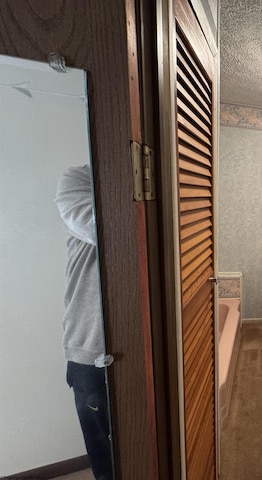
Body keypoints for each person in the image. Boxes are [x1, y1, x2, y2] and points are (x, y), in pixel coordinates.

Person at [55, 165, 114, 480]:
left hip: (142, 340)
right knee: (104, 453)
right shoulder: (78, 178)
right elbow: (99, 229)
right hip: (89, 343)